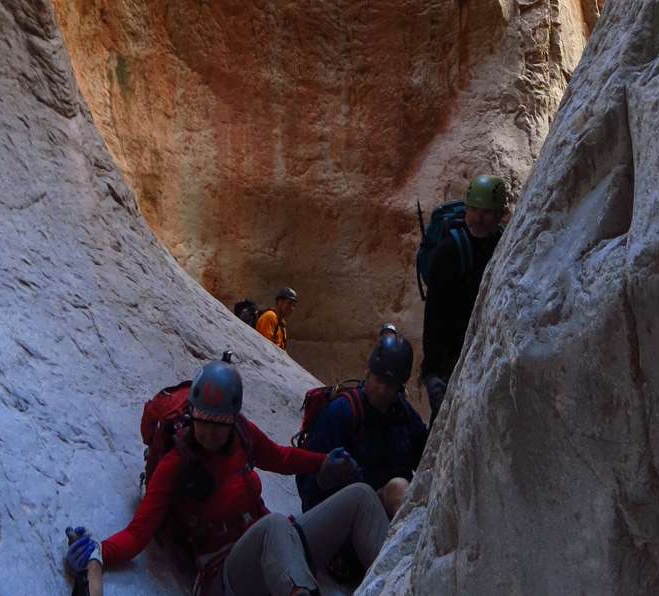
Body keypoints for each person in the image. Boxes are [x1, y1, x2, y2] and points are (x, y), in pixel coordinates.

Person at [63, 360, 385, 596]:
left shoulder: (242, 434)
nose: (209, 433)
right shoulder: (177, 464)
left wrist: (323, 462)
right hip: (225, 576)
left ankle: (400, 580)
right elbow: (138, 533)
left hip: (278, 554)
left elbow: (280, 457)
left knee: (360, 496)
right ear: (192, 414)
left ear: (233, 419)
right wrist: (99, 552)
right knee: (274, 526)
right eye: (202, 422)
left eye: (219, 425)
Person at [296, 332, 427, 520]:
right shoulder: (342, 412)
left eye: (390, 385)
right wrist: (324, 479)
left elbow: (427, 458)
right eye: (379, 379)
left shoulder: (404, 415)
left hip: (376, 515)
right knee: (397, 488)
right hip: (338, 516)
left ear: (399, 388)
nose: (382, 390)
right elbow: (307, 487)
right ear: (368, 373)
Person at [420, 173, 508, 419]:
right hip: (451, 357)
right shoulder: (449, 250)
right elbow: (434, 313)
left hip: (480, 351)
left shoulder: (502, 244)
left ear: (499, 214)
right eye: (475, 210)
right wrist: (432, 372)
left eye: (486, 212)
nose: (479, 217)